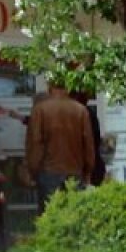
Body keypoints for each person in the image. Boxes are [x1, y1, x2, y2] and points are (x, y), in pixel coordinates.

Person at [26, 83, 94, 214]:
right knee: (75, 217)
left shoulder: (40, 110)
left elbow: (35, 144)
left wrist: (32, 171)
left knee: (49, 218)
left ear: (49, 88)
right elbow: (88, 145)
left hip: (48, 172)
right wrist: (87, 171)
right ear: (68, 88)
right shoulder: (80, 110)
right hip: (75, 171)